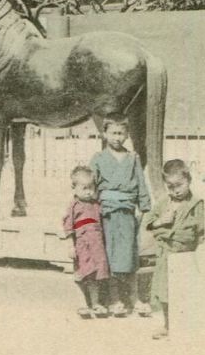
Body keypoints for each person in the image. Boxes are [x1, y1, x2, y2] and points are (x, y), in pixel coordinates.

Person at [90, 118, 152, 317]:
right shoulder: (98, 158)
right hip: (107, 213)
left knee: (130, 256)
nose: (117, 138)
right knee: (110, 256)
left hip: (128, 212)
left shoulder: (133, 157)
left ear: (126, 135)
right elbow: (90, 186)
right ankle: (115, 299)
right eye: (113, 133)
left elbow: (141, 184)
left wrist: (143, 208)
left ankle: (134, 298)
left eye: (121, 133)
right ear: (104, 134)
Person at [144, 158, 205, 340]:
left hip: (186, 254)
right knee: (165, 292)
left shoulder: (196, 204)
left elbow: (201, 230)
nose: (175, 190)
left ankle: (187, 326)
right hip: (166, 254)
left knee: (185, 291)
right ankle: (168, 325)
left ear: (189, 180)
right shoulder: (164, 203)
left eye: (179, 185)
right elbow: (148, 223)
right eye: (170, 186)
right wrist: (161, 221)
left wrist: (200, 250)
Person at [59, 164, 110, 318]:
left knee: (95, 275)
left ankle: (95, 304)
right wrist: (70, 246)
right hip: (82, 246)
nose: (88, 192)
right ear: (74, 188)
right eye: (84, 188)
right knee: (81, 275)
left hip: (97, 246)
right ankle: (82, 303)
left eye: (91, 188)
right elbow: (68, 226)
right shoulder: (74, 206)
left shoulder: (96, 205)